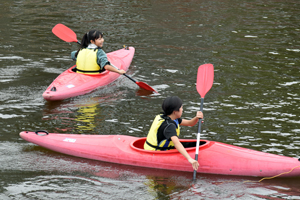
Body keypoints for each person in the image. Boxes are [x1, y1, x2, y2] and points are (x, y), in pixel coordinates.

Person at [144, 96, 203, 171]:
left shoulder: (169, 117)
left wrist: (197, 118)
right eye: (181, 108)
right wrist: (190, 159)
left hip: (158, 149)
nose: (182, 109)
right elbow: (176, 143)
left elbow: (190, 123)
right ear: (175, 112)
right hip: (154, 153)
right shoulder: (169, 126)